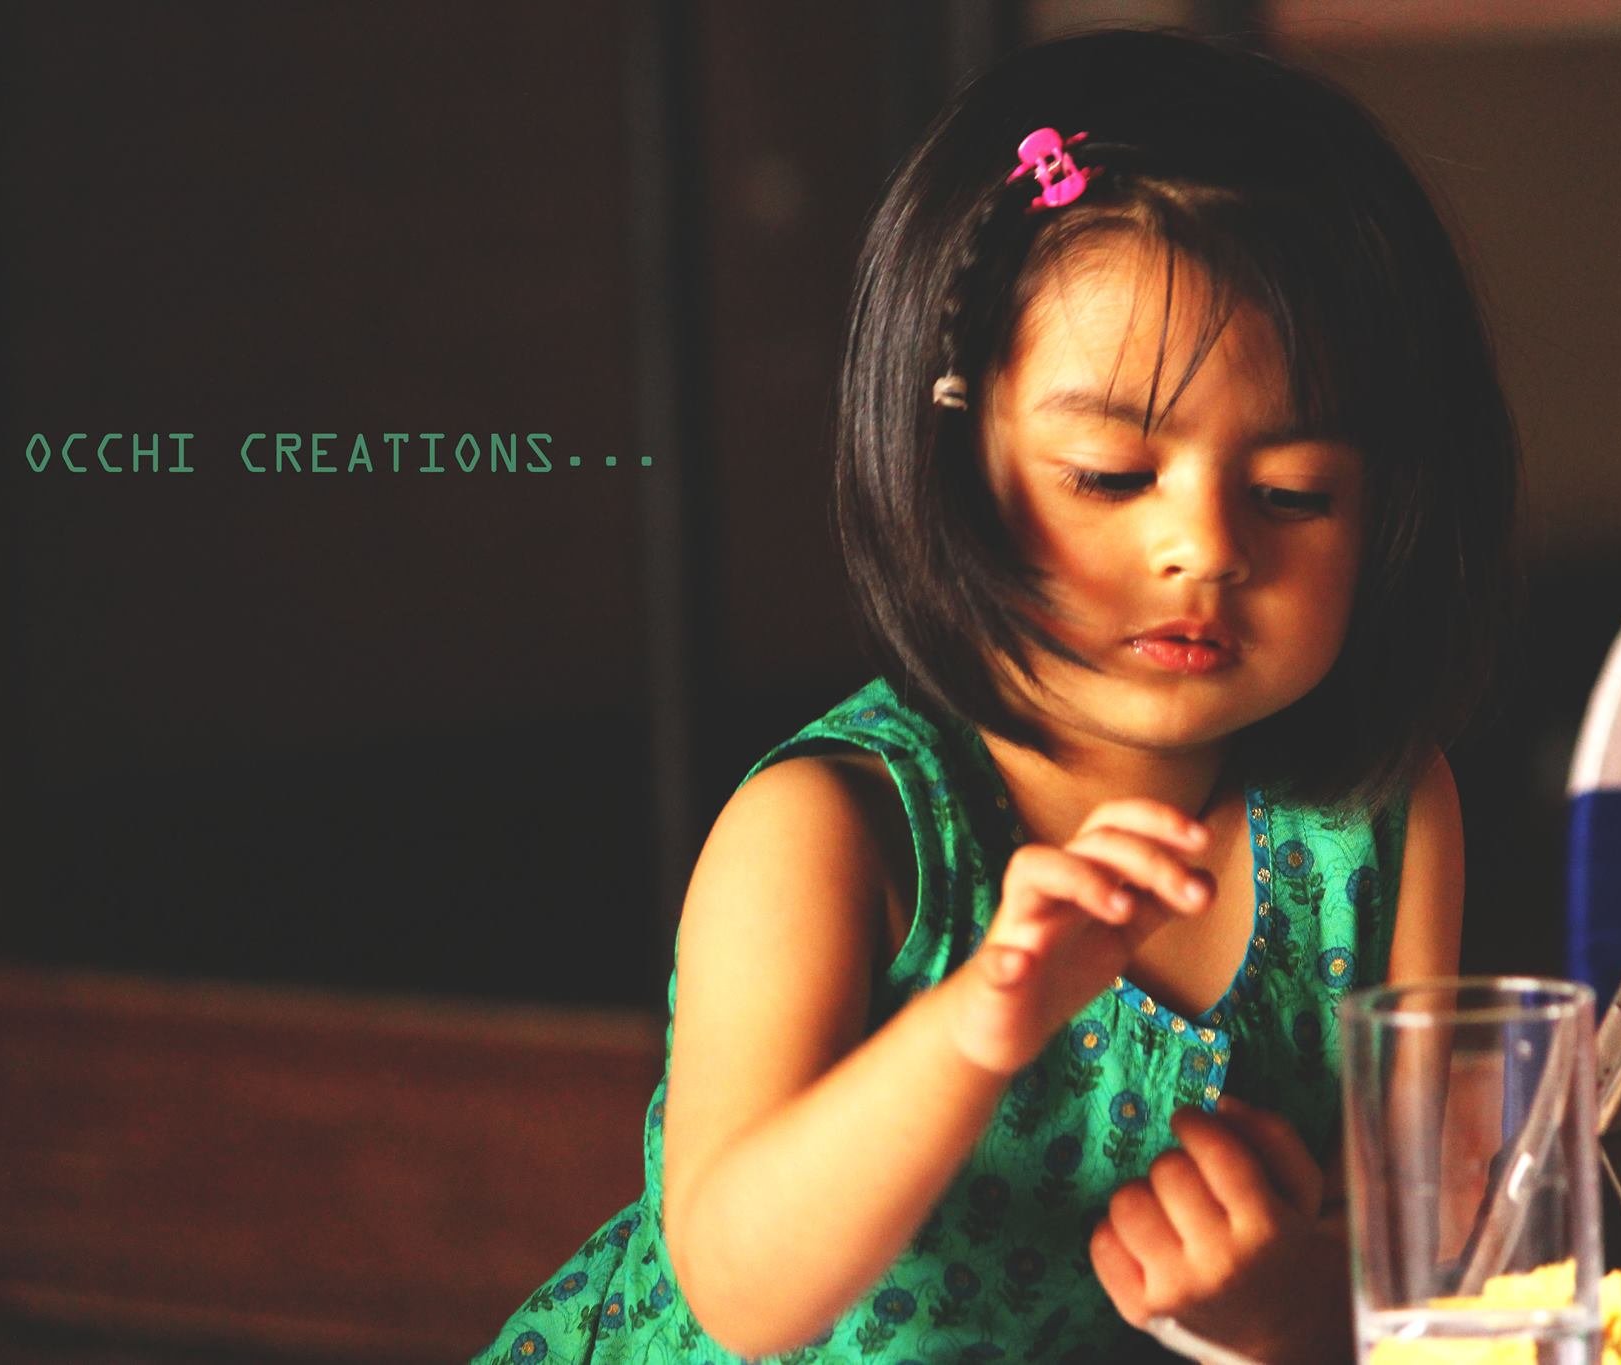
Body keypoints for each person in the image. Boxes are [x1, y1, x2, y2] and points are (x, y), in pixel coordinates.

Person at [475, 27, 1515, 1365]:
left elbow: (1419, 1301)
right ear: (950, 451)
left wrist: (1278, 1306)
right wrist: (978, 1024)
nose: (1203, 547)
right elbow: (739, 1286)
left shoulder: (1376, 819)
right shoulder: (833, 832)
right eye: (1109, 476)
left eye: (1291, 495)